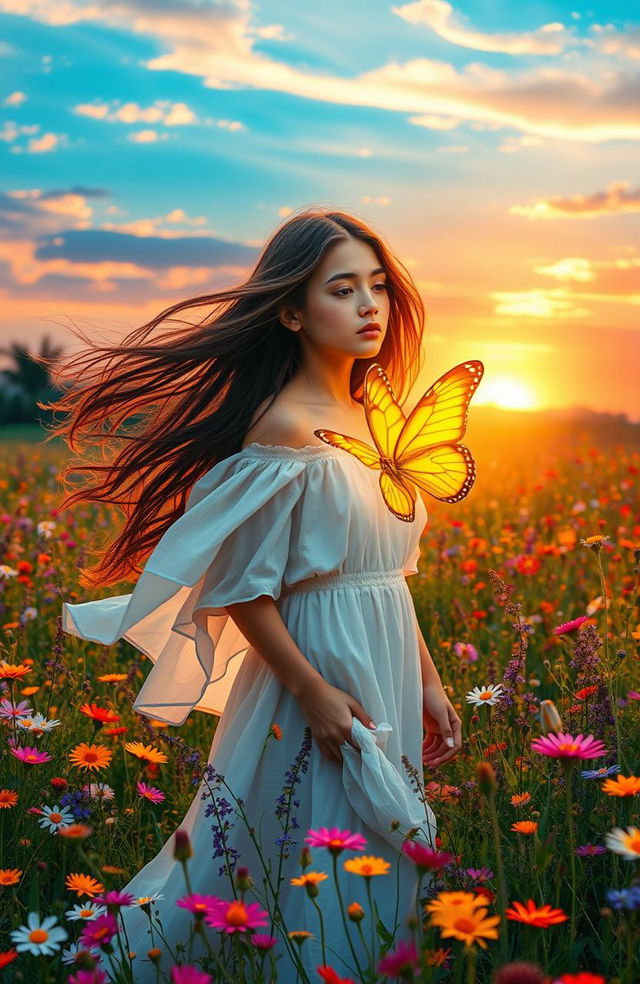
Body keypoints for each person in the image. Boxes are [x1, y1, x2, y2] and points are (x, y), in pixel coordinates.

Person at [51, 206, 462, 983]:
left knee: (373, 852)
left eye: (377, 286)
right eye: (343, 289)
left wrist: (431, 681)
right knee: (303, 845)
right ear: (290, 309)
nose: (369, 305)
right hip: (312, 670)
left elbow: (388, 575)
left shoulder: (378, 422)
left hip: (385, 659)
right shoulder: (284, 428)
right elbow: (242, 586)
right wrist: (312, 693)